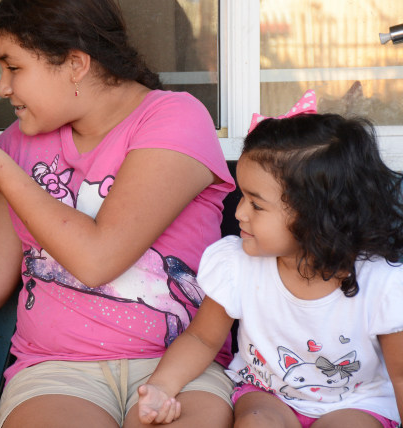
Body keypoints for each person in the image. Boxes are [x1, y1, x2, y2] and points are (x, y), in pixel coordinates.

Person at [0, 0, 236, 426]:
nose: (3, 87)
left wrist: (1, 169)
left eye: (13, 67)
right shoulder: (22, 140)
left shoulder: (174, 117)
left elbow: (98, 259)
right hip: (57, 372)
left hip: (177, 367)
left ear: (75, 64)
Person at [136, 109, 403, 427]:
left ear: (317, 215)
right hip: (266, 394)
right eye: (242, 196)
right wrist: (161, 386)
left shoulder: (383, 282)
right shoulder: (238, 265)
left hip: (358, 403)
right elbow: (201, 339)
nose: (239, 213)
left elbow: (400, 375)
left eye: (256, 204)